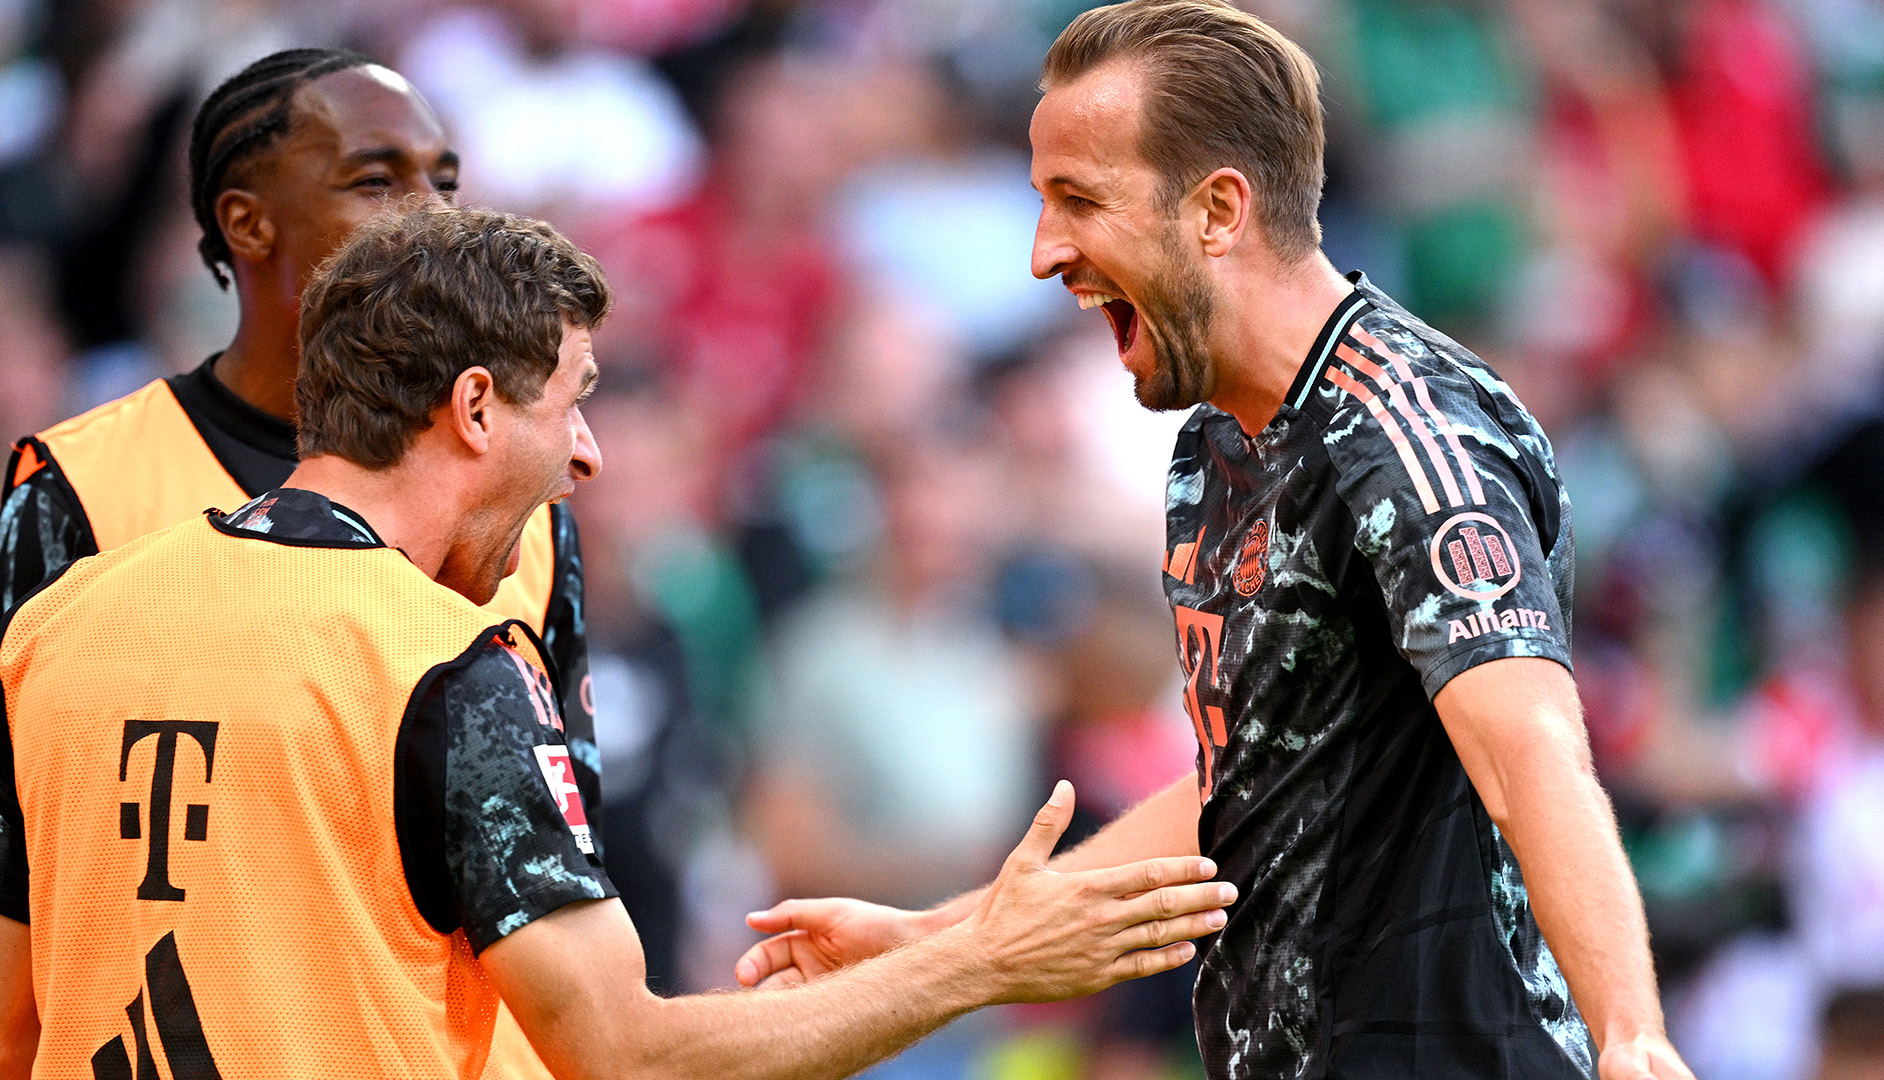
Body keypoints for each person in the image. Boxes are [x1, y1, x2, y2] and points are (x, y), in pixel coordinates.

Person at [0, 205, 1233, 1079]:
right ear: (475, 407)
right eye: (574, 399)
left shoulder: (60, 625)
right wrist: (978, 964)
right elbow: (627, 1056)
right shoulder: (446, 664)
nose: (588, 453)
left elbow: (14, 1023)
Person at [733, 4, 1696, 1079]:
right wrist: (945, 937)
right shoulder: (1216, 443)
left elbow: (1531, 750)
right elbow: (1246, 785)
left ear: (1218, 211)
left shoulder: (1404, 439)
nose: (1045, 253)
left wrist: (1632, 1036)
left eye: (1077, 201)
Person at [0, 50, 597, 1074]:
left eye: (444, 181)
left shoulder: (525, 491)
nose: (429, 213)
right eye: (378, 179)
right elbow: (20, 884)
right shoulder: (76, 486)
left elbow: (566, 853)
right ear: (247, 221)